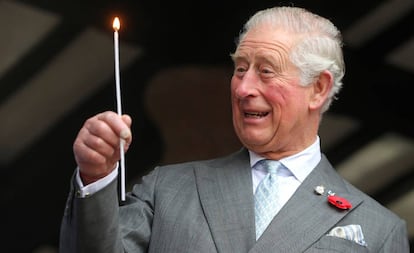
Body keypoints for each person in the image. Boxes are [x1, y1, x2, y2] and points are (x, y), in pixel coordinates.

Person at [59, 6, 409, 253]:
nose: (243, 88)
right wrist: (96, 177)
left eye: (266, 71)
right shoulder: (168, 190)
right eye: (241, 68)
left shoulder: (378, 230)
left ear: (318, 88)